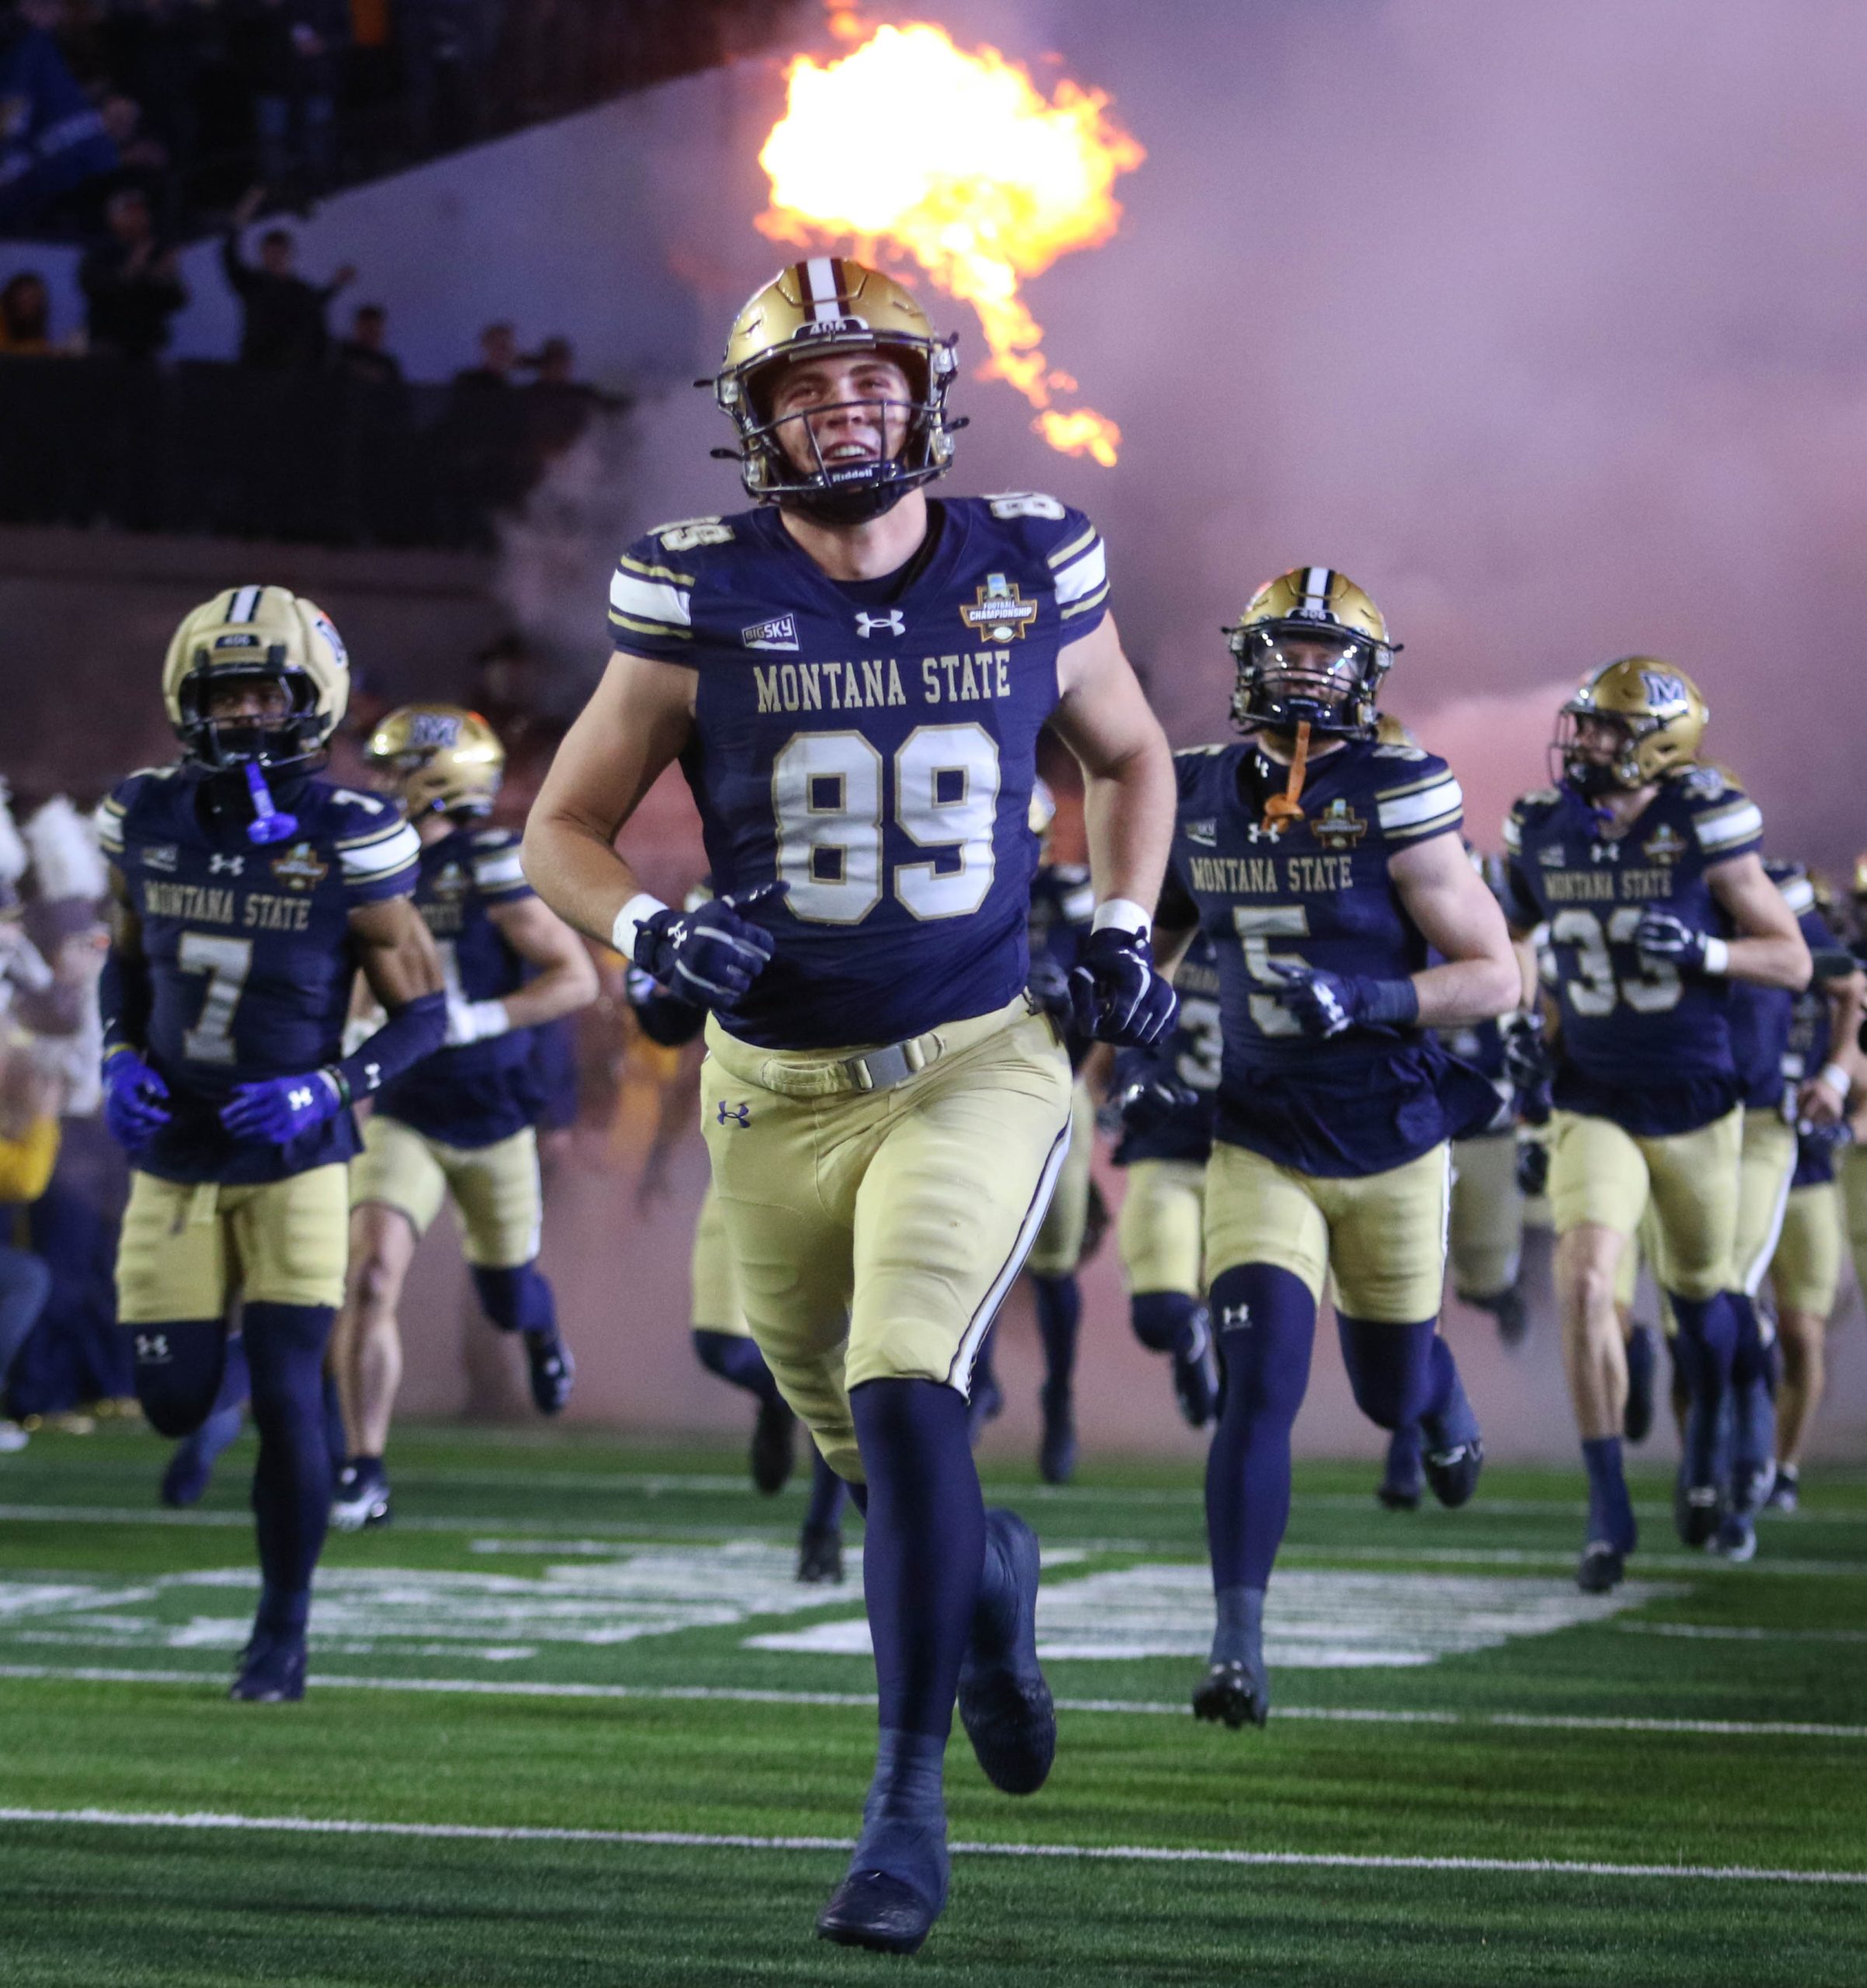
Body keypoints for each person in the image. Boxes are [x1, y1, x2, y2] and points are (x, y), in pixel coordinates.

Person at [522, 258, 1177, 1956]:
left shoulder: (1027, 559)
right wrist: (649, 930)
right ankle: (993, 1588)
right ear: (755, 425)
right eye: (805, 390)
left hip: (974, 1058)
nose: (843, 411)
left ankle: (900, 1812)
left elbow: (1130, 753)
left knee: (903, 1380)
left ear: (926, 395)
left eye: (870, 380)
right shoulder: (699, 588)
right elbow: (559, 828)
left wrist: (1119, 925)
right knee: (881, 1459)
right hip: (768, 1089)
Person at [1153, 566, 1518, 1732]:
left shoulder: (1397, 789)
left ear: (1367, 675)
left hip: (1389, 1136)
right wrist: (1133, 1030)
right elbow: (1155, 931)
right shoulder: (1192, 790)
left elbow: (1495, 976)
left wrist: (1367, 999)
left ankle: (1437, 1397)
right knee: (1255, 1388)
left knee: (1385, 1393)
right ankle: (1236, 1647)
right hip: (1259, 1133)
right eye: (1287, 647)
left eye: (1327, 653)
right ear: (1245, 657)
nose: (1304, 670)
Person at [96, 584, 445, 1700]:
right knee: (172, 1401)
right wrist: (117, 1054)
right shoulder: (144, 813)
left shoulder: (354, 834)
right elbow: (125, 963)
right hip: (176, 1152)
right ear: (188, 701)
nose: (245, 714)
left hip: (296, 1157)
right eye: (225, 695)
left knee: (297, 1393)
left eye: (264, 693)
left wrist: (325, 1090)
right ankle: (223, 1383)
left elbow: (424, 1014)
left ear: (313, 698)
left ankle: (280, 1632)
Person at [1501, 659, 1809, 1594]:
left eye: (1605, 728)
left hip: (1696, 1101)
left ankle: (1715, 1431)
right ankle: (1607, 1506)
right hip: (1592, 1095)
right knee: (1586, 1281)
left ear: (1659, 742)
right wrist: (1520, 1018)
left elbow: (1792, 960)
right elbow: (1515, 934)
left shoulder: (1703, 821)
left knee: (1704, 1307)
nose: (1585, 742)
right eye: (1585, 724)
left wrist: (1708, 949)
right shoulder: (1542, 826)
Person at [329, 703, 596, 1530]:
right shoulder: (375, 862)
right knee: (370, 1274)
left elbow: (576, 978)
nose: (378, 783)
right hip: (407, 1110)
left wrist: (478, 1018)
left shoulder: (487, 863)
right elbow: (368, 974)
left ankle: (542, 1332)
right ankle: (363, 1465)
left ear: (439, 775)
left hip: (493, 1115)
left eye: (394, 769)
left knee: (507, 1299)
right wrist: (357, 1036)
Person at [628, 923, 854, 1584]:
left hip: (856, 1147)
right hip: (748, 1149)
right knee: (720, 1346)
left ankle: (822, 1529)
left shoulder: (890, 901)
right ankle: (783, 1398)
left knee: (852, 1365)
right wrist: (644, 981)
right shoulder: (729, 904)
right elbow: (675, 1026)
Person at [1107, 930, 1223, 1428]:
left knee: (1254, 1325)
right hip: (1167, 1148)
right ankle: (1191, 1340)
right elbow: (1121, 1034)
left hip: (1254, 1157)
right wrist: (1132, 1088)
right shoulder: (1164, 934)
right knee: (1158, 1316)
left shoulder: (1287, 932)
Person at [220, 187, 354, 367]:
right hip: (256, 368)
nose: (276, 258)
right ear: (262, 255)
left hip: (292, 371)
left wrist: (337, 283)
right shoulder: (252, 283)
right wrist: (245, 210)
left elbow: (316, 302)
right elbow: (228, 253)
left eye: (280, 253)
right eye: (271, 253)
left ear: (289, 255)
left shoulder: (299, 290)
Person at [78, 188, 189, 362]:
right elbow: (94, 288)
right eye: (131, 212)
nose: (138, 218)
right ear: (113, 218)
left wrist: (163, 280)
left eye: (141, 212)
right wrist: (131, 270)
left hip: (149, 347)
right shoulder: (99, 253)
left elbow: (178, 300)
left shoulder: (156, 253)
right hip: (109, 346)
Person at [332, 302, 402, 387]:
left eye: (376, 331)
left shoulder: (387, 365)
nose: (372, 335)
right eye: (368, 330)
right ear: (357, 328)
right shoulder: (340, 355)